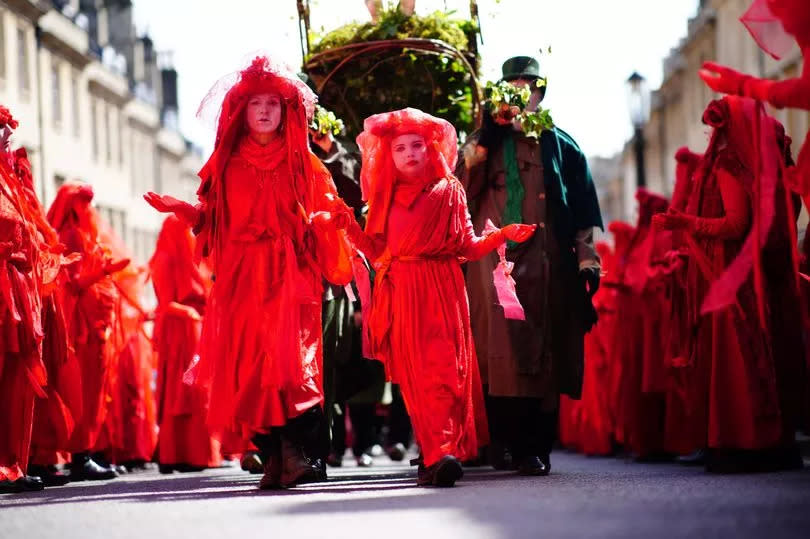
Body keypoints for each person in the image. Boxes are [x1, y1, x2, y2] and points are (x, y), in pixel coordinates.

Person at [144, 56, 353, 489]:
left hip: (290, 277)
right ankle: (275, 455)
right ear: (242, 109)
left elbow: (327, 211)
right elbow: (211, 220)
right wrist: (183, 210)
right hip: (242, 280)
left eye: (273, 104)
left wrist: (322, 223)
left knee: (294, 364)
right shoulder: (226, 164)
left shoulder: (303, 162)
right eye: (255, 102)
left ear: (285, 110)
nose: (263, 111)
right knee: (253, 368)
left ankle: (295, 454)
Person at [323, 107, 535, 487]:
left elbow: (468, 248)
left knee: (446, 373)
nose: (409, 153)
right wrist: (347, 225)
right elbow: (374, 249)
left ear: (430, 148)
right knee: (416, 378)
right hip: (401, 290)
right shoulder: (384, 197)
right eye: (400, 147)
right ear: (389, 155)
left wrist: (502, 234)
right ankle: (435, 452)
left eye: (417, 145)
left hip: (443, 288)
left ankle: (441, 453)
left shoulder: (450, 190)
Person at [458, 56, 603, 475]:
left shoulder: (563, 144)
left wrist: (587, 260)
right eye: (514, 86)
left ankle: (537, 446)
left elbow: (580, 210)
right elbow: (460, 192)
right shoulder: (482, 142)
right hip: (498, 268)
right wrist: (487, 135)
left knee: (548, 355)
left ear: (540, 92)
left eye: (530, 85)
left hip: (550, 266)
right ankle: (507, 444)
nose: (523, 93)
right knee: (503, 356)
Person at [654, 96, 805, 473]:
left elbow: (735, 225)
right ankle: (758, 442)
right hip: (742, 278)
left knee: (736, 363)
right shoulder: (757, 168)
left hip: (729, 280)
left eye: (716, 128)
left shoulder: (729, 166)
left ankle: (744, 443)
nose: (712, 137)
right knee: (751, 361)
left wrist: (684, 223)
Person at [47, 182, 128, 481]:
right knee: (83, 392)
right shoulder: (70, 236)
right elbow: (73, 282)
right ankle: (81, 456)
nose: (89, 209)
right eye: (84, 202)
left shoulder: (83, 235)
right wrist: (104, 271)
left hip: (94, 326)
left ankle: (86, 453)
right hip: (81, 327)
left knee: (94, 392)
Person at [150, 216, 221, 473]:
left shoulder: (191, 261)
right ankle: (179, 453)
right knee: (183, 392)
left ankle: (193, 453)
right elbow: (167, 303)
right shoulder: (166, 260)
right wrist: (192, 315)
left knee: (195, 391)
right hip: (180, 332)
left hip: (194, 330)